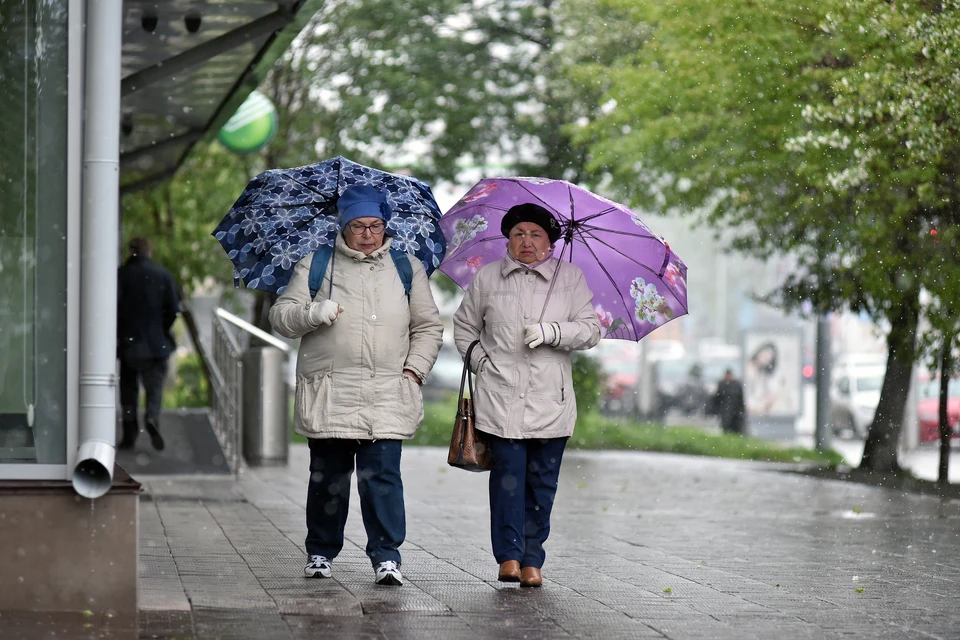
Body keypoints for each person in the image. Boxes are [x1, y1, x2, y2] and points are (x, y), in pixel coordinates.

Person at [269, 184, 443, 587]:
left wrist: (414, 371)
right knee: (327, 476)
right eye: (359, 226)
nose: (368, 234)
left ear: (386, 226)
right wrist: (313, 312)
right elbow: (281, 317)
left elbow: (429, 326)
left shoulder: (406, 267)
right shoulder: (317, 264)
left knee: (382, 477)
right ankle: (320, 552)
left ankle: (386, 556)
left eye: (376, 225)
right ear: (343, 226)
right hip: (331, 390)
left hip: (387, 390)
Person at [453, 202, 601, 588]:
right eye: (519, 234)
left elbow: (590, 330)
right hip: (499, 398)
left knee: (541, 483)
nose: (527, 242)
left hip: (551, 401)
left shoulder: (570, 279)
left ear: (550, 242)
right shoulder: (487, 279)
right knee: (507, 478)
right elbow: (464, 329)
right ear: (508, 239)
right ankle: (509, 557)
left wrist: (553, 331)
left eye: (536, 234)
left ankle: (533, 558)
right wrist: (482, 363)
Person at [117, 237, 180, 451]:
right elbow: (172, 309)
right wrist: (160, 330)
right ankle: (152, 417)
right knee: (154, 389)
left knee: (128, 392)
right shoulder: (162, 276)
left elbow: (113, 308)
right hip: (156, 345)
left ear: (130, 251)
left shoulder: (120, 275)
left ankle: (129, 434)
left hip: (128, 345)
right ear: (149, 251)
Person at [712, 368, 746, 435]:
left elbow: (741, 398)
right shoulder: (722, 384)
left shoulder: (737, 384)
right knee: (726, 427)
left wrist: (742, 410)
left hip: (735, 411)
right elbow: (717, 398)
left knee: (736, 428)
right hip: (725, 410)